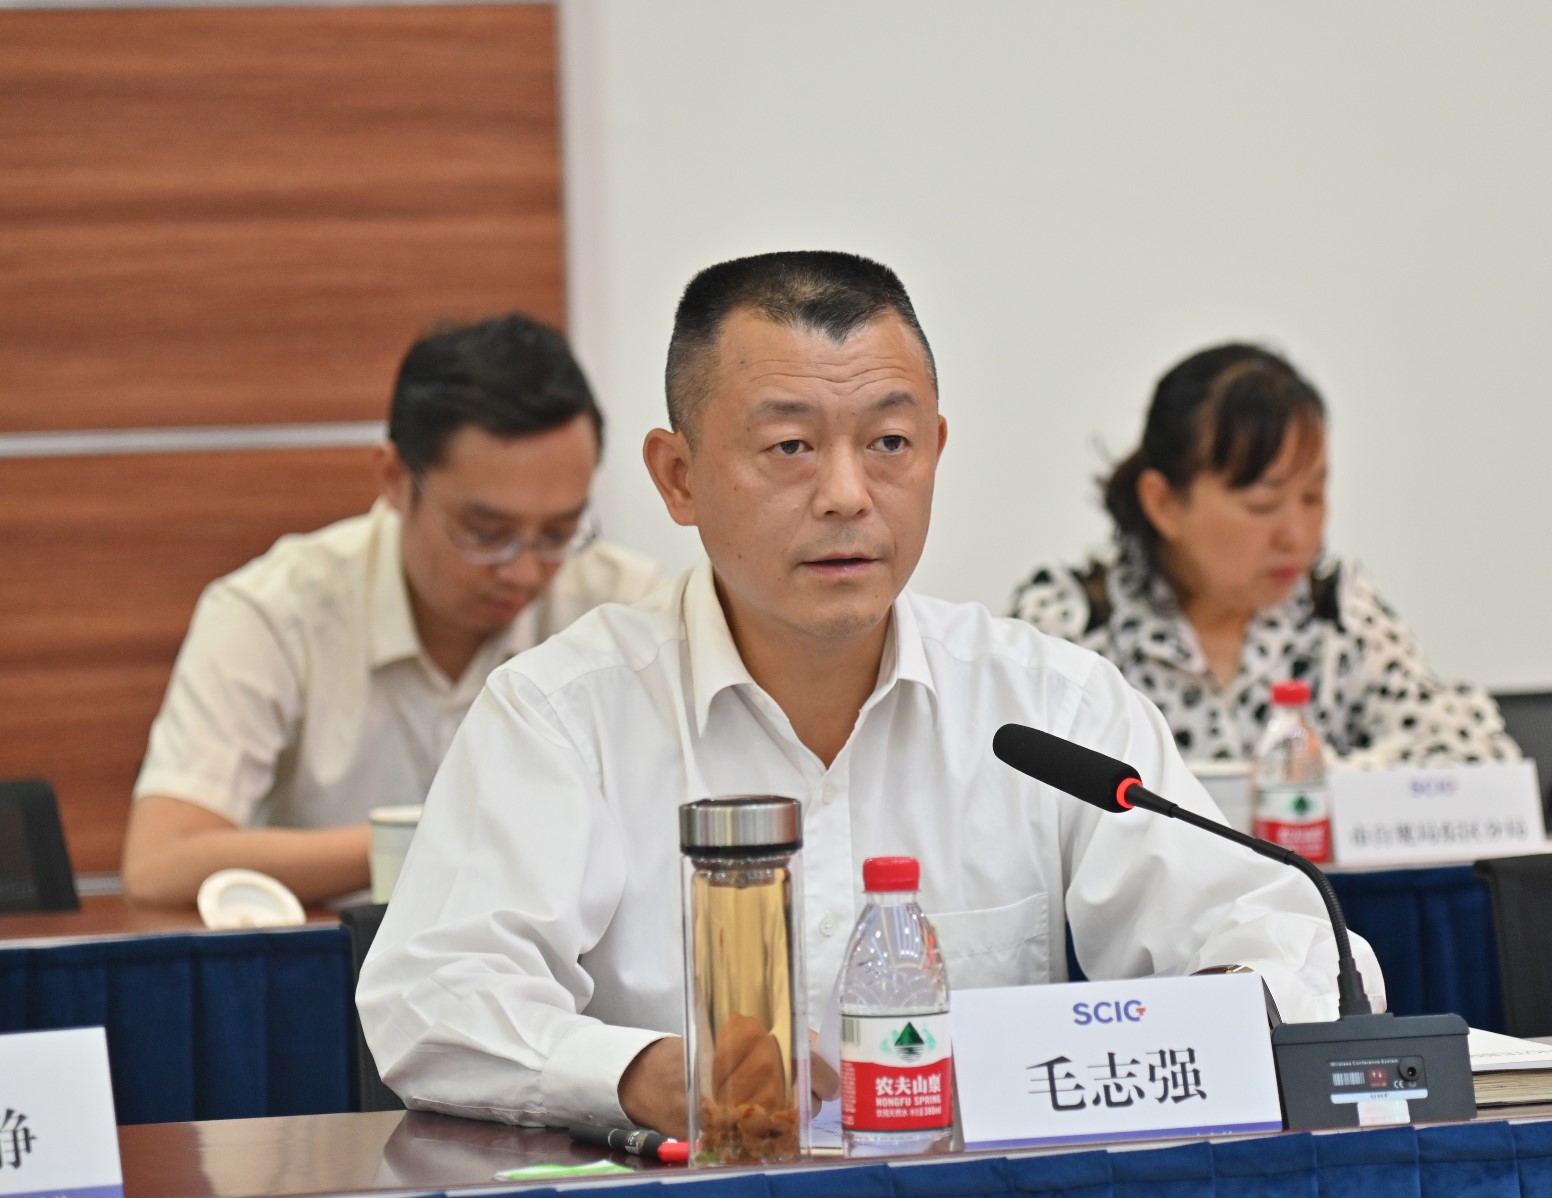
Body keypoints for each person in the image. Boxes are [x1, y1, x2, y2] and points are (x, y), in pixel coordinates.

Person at [357, 253, 1385, 1138]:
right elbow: (434, 998)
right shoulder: (563, 713)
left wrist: (1211, 1013)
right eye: (790, 447)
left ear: (935, 450)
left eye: (889, 443)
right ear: (678, 477)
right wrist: (643, 1073)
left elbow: (1294, 942)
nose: (848, 494)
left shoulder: (1048, 704)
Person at [122, 314, 662, 907]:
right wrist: (438, 838)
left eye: (558, 533)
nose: (525, 571)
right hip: (340, 960)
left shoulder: (624, 607)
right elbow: (161, 864)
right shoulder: (276, 613)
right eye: (486, 533)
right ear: (395, 478)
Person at [1012, 343, 1518, 767]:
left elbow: (1474, 753)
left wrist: (1316, 785)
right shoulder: (1072, 624)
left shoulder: (1336, 613)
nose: (1296, 535)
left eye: (1313, 497)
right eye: (1263, 505)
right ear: (1163, 503)